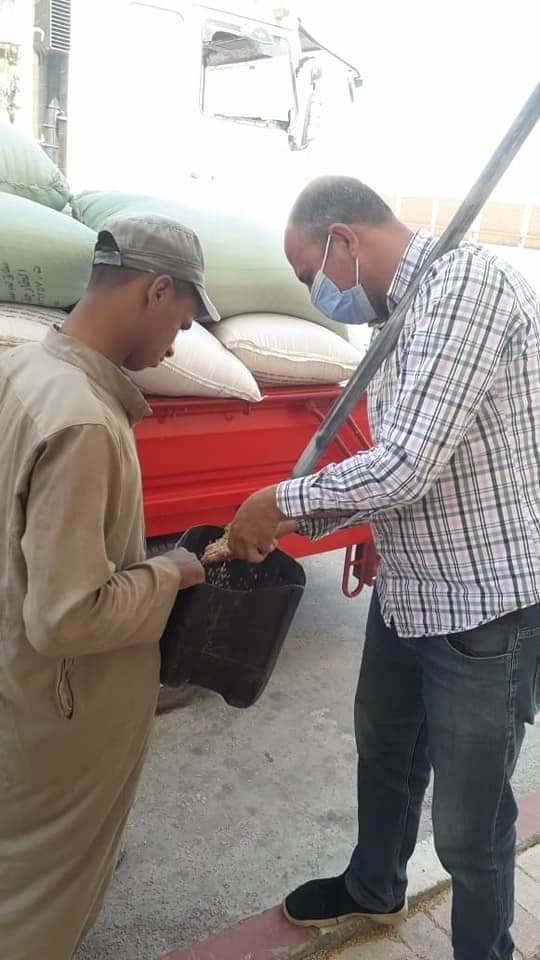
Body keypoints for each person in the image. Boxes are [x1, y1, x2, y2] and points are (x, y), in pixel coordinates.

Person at [224, 176, 540, 960]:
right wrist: (335, 521)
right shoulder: (399, 318)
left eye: (312, 275)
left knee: (469, 824)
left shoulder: (465, 288)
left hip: (482, 608)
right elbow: (403, 468)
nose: (318, 294)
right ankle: (375, 884)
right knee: (386, 752)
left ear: (345, 240)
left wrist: (279, 503)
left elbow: (405, 466)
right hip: (410, 590)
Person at [0, 214, 219, 960]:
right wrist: (171, 571)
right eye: (181, 322)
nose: (175, 345)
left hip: (21, 691)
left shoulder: (25, 370)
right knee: (37, 907)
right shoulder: (85, 423)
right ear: (156, 290)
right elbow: (68, 617)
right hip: (61, 711)